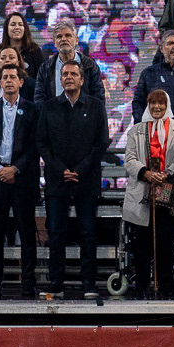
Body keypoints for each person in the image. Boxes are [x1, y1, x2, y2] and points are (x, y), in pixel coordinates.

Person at [37, 60, 110, 296]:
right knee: (56, 234)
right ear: (60, 80)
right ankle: (56, 284)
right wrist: (60, 169)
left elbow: (101, 143)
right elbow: (42, 143)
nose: (69, 77)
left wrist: (80, 169)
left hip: (86, 179)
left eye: (73, 74)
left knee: (87, 233)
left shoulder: (96, 106)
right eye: (65, 74)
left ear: (82, 79)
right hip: (57, 180)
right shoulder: (49, 107)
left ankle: (89, 283)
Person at [0, 65, 41, 299]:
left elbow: (35, 145)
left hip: (22, 178)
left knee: (27, 233)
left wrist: (15, 168)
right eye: (5, 77)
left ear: (21, 82)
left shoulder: (32, 109)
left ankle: (28, 284)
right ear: (0, 83)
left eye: (13, 77)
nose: (9, 80)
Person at [120, 89, 174, 300]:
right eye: (153, 103)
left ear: (167, 105)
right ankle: (141, 286)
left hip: (169, 192)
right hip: (143, 192)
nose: (157, 107)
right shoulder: (136, 130)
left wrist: (167, 173)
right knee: (142, 245)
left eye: (161, 103)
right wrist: (147, 173)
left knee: (165, 244)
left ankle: (166, 286)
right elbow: (129, 158)